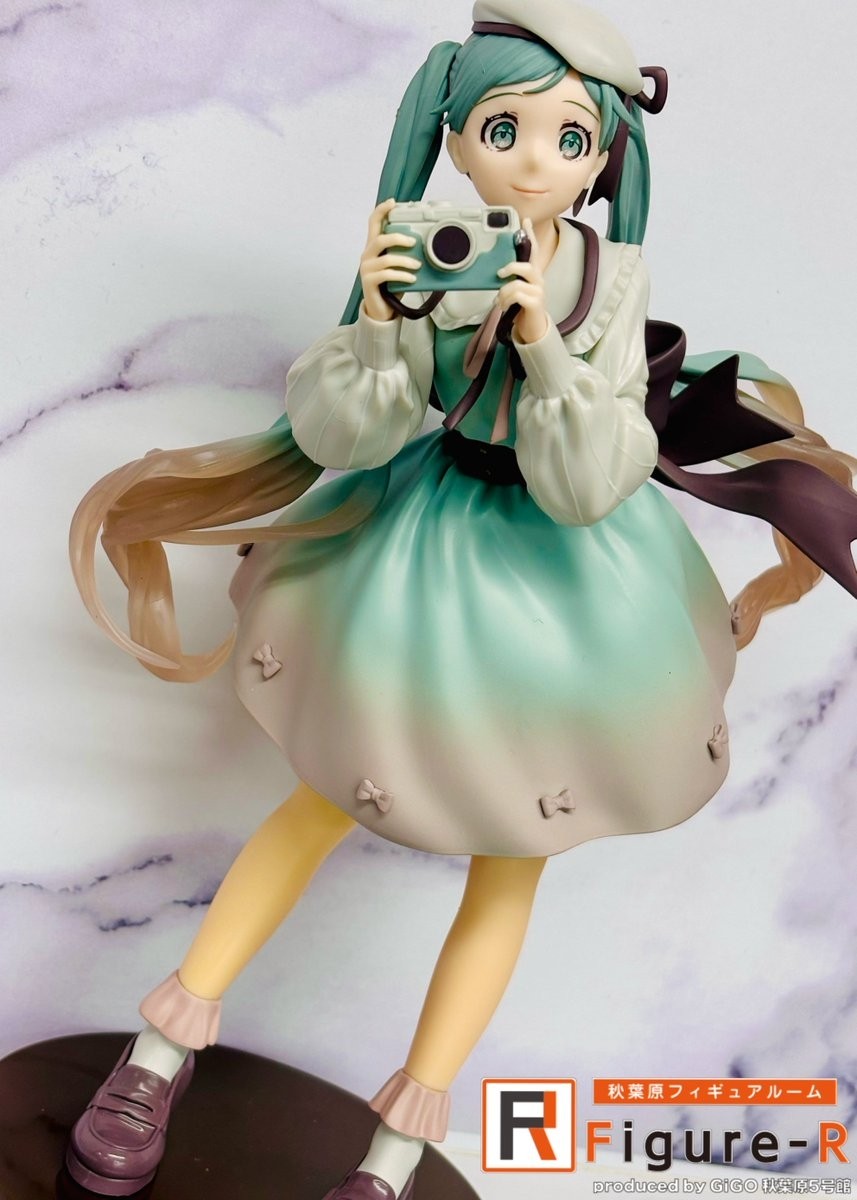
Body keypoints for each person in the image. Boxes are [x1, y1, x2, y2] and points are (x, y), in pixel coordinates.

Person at [65, 1, 857, 1197]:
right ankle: (159, 1048)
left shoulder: (609, 278)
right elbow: (345, 434)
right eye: (503, 129)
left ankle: (392, 1155)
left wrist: (543, 345)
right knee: (317, 800)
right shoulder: (424, 248)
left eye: (569, 138)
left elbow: (590, 481)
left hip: (572, 585)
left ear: (603, 158)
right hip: (417, 550)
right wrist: (382, 325)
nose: (534, 163)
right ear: (452, 134)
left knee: (512, 855)